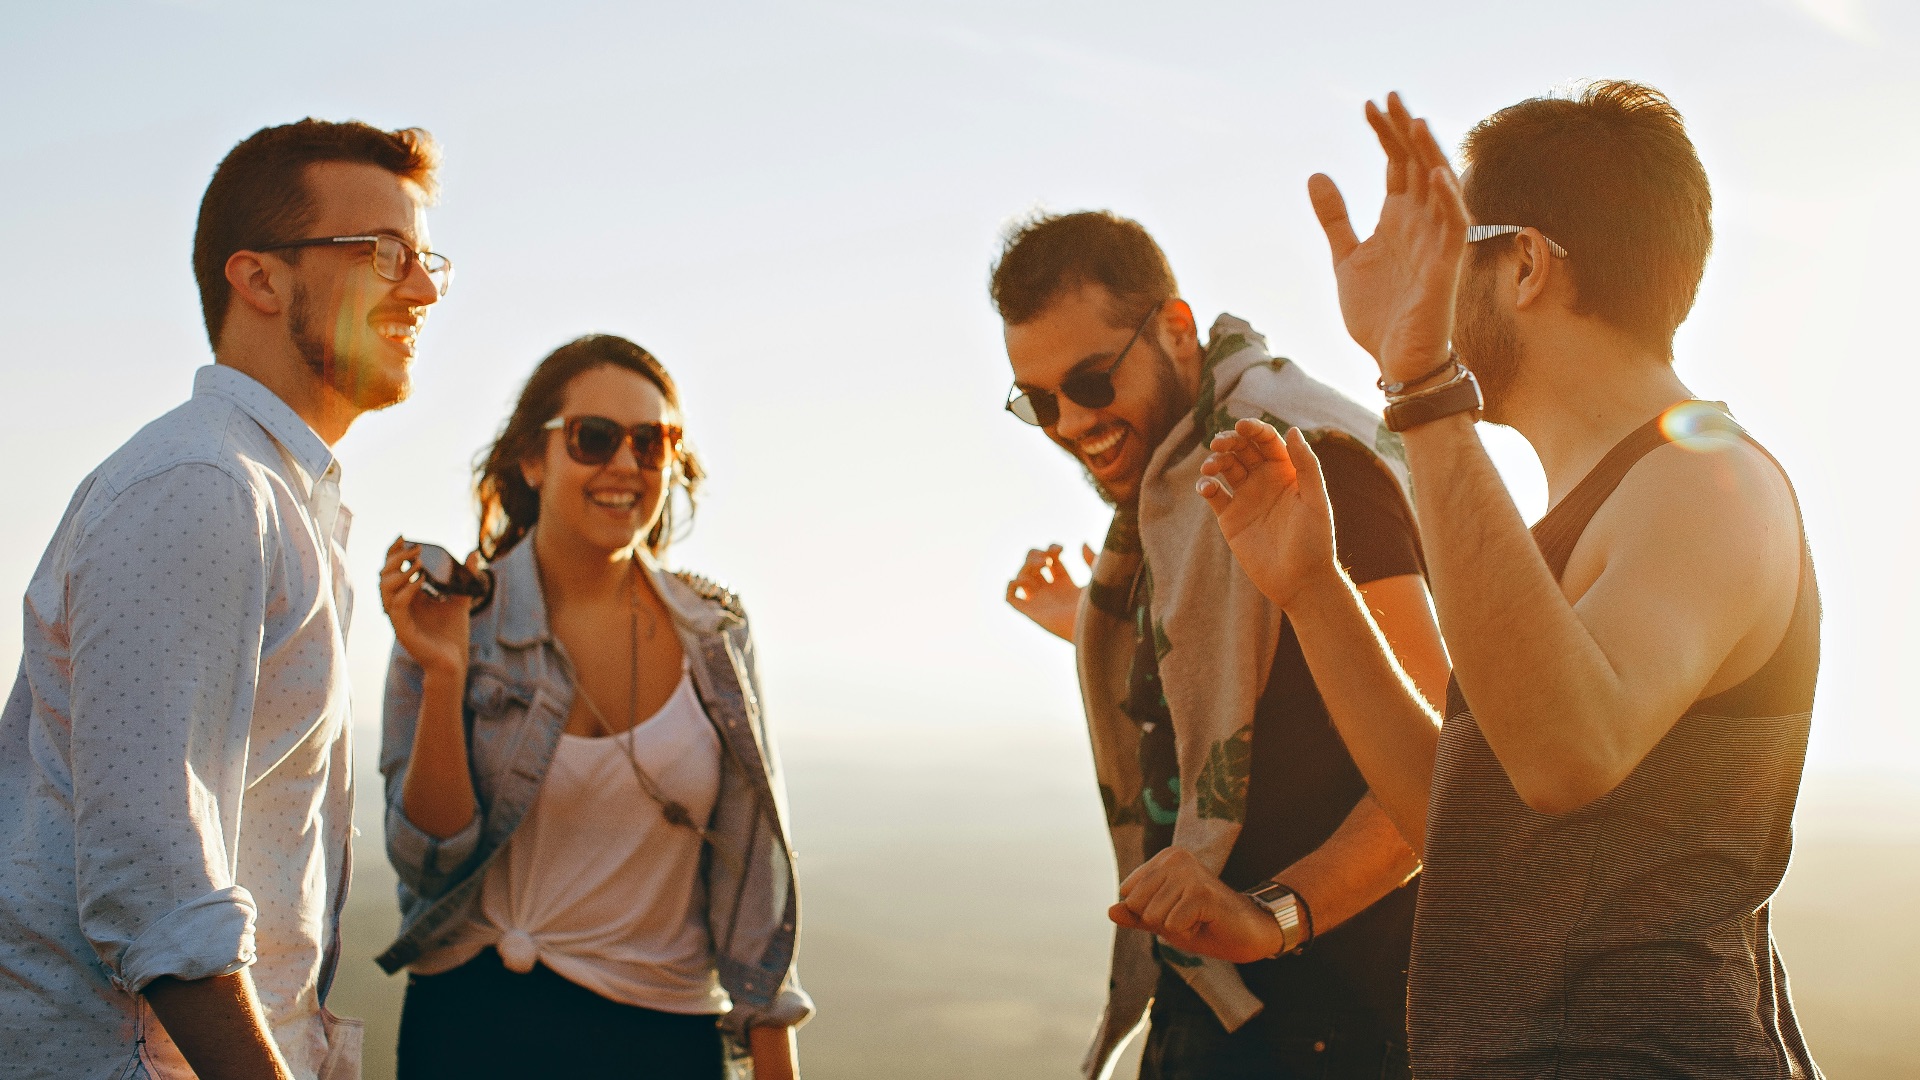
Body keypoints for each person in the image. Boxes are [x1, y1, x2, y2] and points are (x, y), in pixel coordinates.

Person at [1121, 84, 1824, 1077]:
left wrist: (1419, 386)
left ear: (1526, 265)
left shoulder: (1710, 482)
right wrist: (1315, 592)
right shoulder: (1579, 517)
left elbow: (1565, 756)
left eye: (1450, 254)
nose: (1430, 288)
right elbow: (1463, 823)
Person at [0, 120, 446, 1079]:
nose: (421, 288)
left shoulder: (276, 495)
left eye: (424, 258)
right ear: (260, 277)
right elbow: (158, 889)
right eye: (384, 254)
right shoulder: (204, 485)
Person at [994, 211, 1451, 1080]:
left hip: (1334, 1024)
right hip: (1212, 1009)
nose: (1066, 423)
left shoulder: (1308, 464)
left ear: (1173, 328)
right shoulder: (1176, 492)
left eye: (1089, 382)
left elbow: (1438, 765)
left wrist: (1275, 918)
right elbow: (1252, 686)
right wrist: (1095, 626)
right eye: (1038, 401)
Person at [374, 334, 810, 1079]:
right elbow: (427, 861)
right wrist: (444, 674)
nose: (625, 465)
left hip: (661, 1041)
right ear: (532, 458)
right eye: (595, 438)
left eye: (653, 442)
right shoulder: (454, 618)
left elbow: (752, 894)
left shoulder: (716, 636)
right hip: (469, 1031)